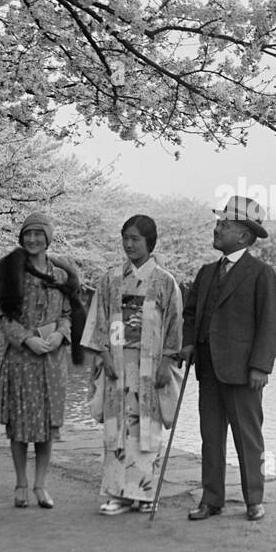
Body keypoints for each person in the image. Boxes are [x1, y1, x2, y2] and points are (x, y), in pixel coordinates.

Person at [180, 196, 276, 522]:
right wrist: (188, 345)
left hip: (243, 371)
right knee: (210, 436)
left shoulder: (261, 273)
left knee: (247, 437)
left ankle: (254, 498)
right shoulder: (206, 272)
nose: (217, 228)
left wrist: (260, 366)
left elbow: (271, 324)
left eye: (224, 225)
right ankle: (212, 499)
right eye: (218, 223)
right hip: (209, 368)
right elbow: (191, 314)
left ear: (243, 236)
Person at [82, 215, 185, 516]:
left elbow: (174, 325)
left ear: (149, 242)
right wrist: (104, 355)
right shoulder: (110, 279)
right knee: (116, 427)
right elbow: (99, 322)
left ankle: (143, 494)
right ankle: (117, 493)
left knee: (145, 429)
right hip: (117, 359)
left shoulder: (166, 282)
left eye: (135, 238)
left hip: (150, 364)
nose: (129, 244)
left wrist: (167, 360)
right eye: (125, 237)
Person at [0, 213, 78, 510]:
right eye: (27, 234)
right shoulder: (11, 272)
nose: (32, 239)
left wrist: (60, 335)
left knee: (46, 427)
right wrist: (26, 338)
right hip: (21, 359)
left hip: (52, 361)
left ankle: (41, 484)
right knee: (19, 424)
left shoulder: (61, 275)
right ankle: (20, 483)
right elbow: (4, 315)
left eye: (38, 234)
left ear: (48, 238)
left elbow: (68, 314)